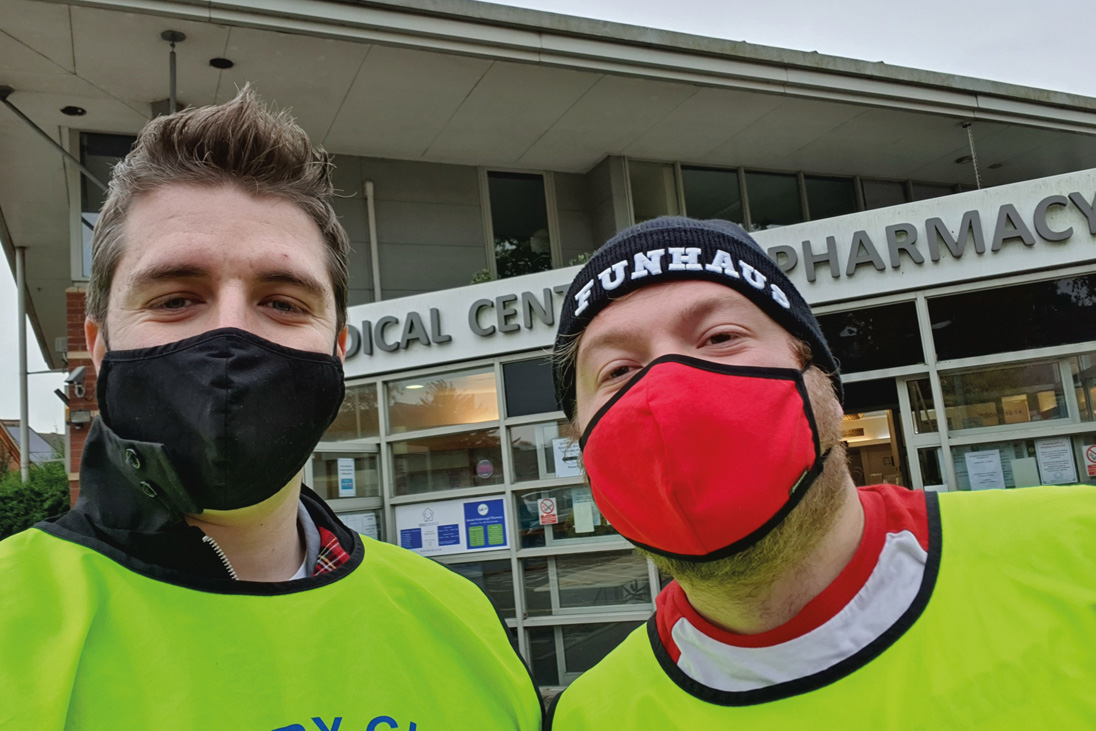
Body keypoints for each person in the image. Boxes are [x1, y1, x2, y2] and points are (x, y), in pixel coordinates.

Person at [0, 88, 542, 729]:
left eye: (283, 303)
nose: (232, 337)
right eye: (176, 298)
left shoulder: (459, 617)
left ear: (338, 350)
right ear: (98, 346)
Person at [547, 217, 1096, 728]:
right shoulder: (592, 715)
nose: (668, 393)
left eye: (721, 337)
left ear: (824, 385)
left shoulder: (1078, 548)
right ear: (581, 449)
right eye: (618, 370)